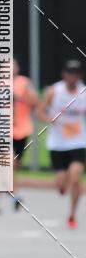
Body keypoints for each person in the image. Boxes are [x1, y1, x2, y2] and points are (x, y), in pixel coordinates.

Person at [38, 59, 86, 228]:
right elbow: (40, 111)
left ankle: (72, 214)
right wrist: (49, 120)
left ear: (79, 76)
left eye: (75, 74)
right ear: (64, 74)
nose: (72, 77)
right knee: (61, 182)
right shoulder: (54, 91)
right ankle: (62, 186)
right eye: (69, 73)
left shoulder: (83, 92)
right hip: (57, 144)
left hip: (78, 142)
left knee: (75, 178)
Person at [11, 58, 38, 210]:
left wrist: (21, 96)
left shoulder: (24, 82)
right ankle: (12, 194)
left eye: (13, 66)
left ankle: (10, 190)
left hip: (22, 129)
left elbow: (34, 102)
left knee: (16, 164)